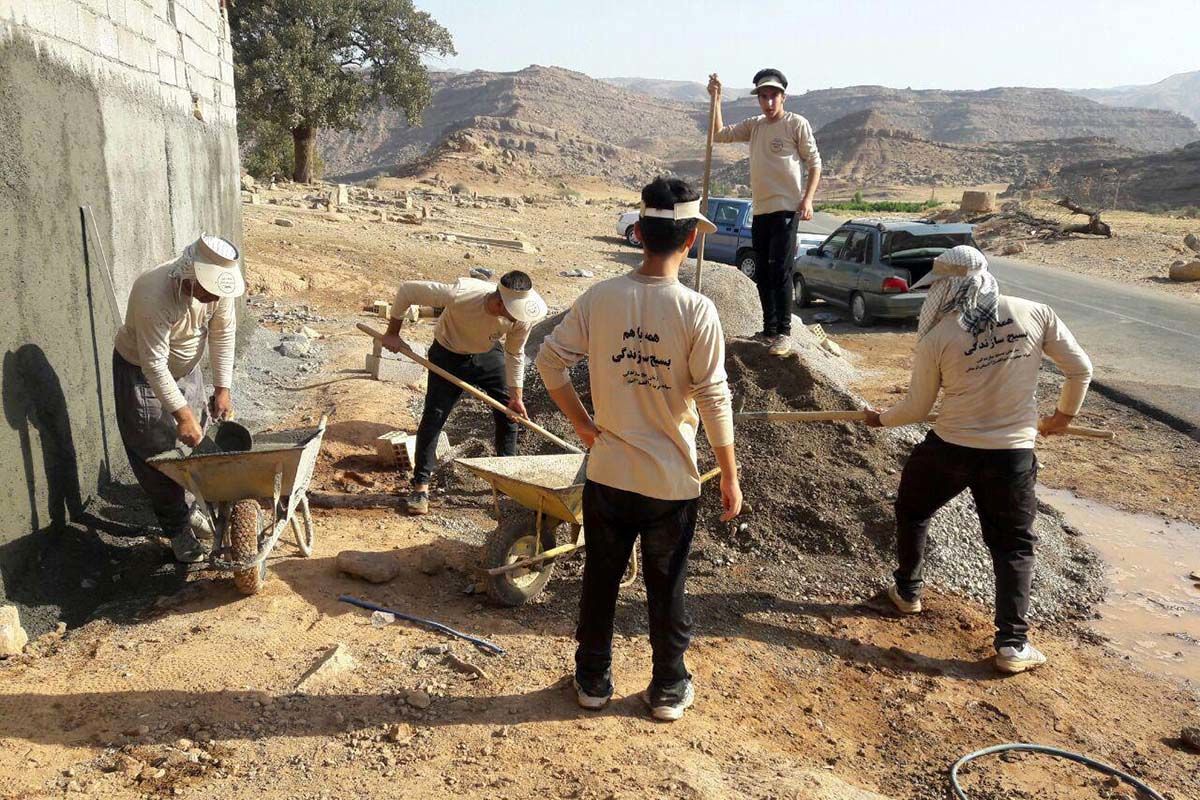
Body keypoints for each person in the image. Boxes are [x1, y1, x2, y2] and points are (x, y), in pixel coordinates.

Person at [536, 176, 743, 721]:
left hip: (608, 473)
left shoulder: (600, 297)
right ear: (692, 239)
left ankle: (592, 680)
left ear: (640, 234)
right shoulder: (698, 310)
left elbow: (549, 363)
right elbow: (714, 396)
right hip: (670, 483)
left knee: (601, 577)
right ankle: (669, 688)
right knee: (666, 583)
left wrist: (584, 425)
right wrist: (728, 472)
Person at [860, 245, 1093, 674]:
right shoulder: (1035, 312)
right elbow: (1080, 369)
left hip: (950, 448)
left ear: (944, 287)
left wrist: (880, 419)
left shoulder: (940, 335)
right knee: (1013, 546)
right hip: (1012, 455)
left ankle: (907, 592)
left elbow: (915, 408)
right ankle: (1012, 645)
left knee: (913, 510)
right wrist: (1062, 417)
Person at [112, 234, 244, 562]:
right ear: (191, 274)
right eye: (208, 288)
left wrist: (222, 388)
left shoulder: (218, 289)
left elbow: (223, 332)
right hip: (141, 375)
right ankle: (177, 529)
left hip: (187, 370)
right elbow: (154, 365)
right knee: (159, 455)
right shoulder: (152, 293)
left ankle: (190, 508)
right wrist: (181, 414)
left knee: (193, 444)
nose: (213, 295)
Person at [381, 271, 547, 515]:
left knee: (510, 414)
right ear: (500, 302)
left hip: (486, 354)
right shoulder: (461, 294)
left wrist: (516, 397)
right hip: (447, 353)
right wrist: (393, 332)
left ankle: (507, 479)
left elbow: (514, 354)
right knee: (435, 416)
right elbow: (407, 290)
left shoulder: (522, 317)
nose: (517, 318)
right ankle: (420, 487)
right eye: (513, 312)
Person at [708, 68, 822, 357]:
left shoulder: (796, 124)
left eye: (773, 96)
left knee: (780, 271)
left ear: (783, 96)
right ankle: (769, 328)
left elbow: (815, 164)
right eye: (763, 96)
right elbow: (719, 134)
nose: (768, 102)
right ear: (758, 98)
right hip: (761, 210)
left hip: (786, 209)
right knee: (762, 270)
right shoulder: (755, 125)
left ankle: (784, 332)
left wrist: (807, 200)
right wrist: (717, 98)